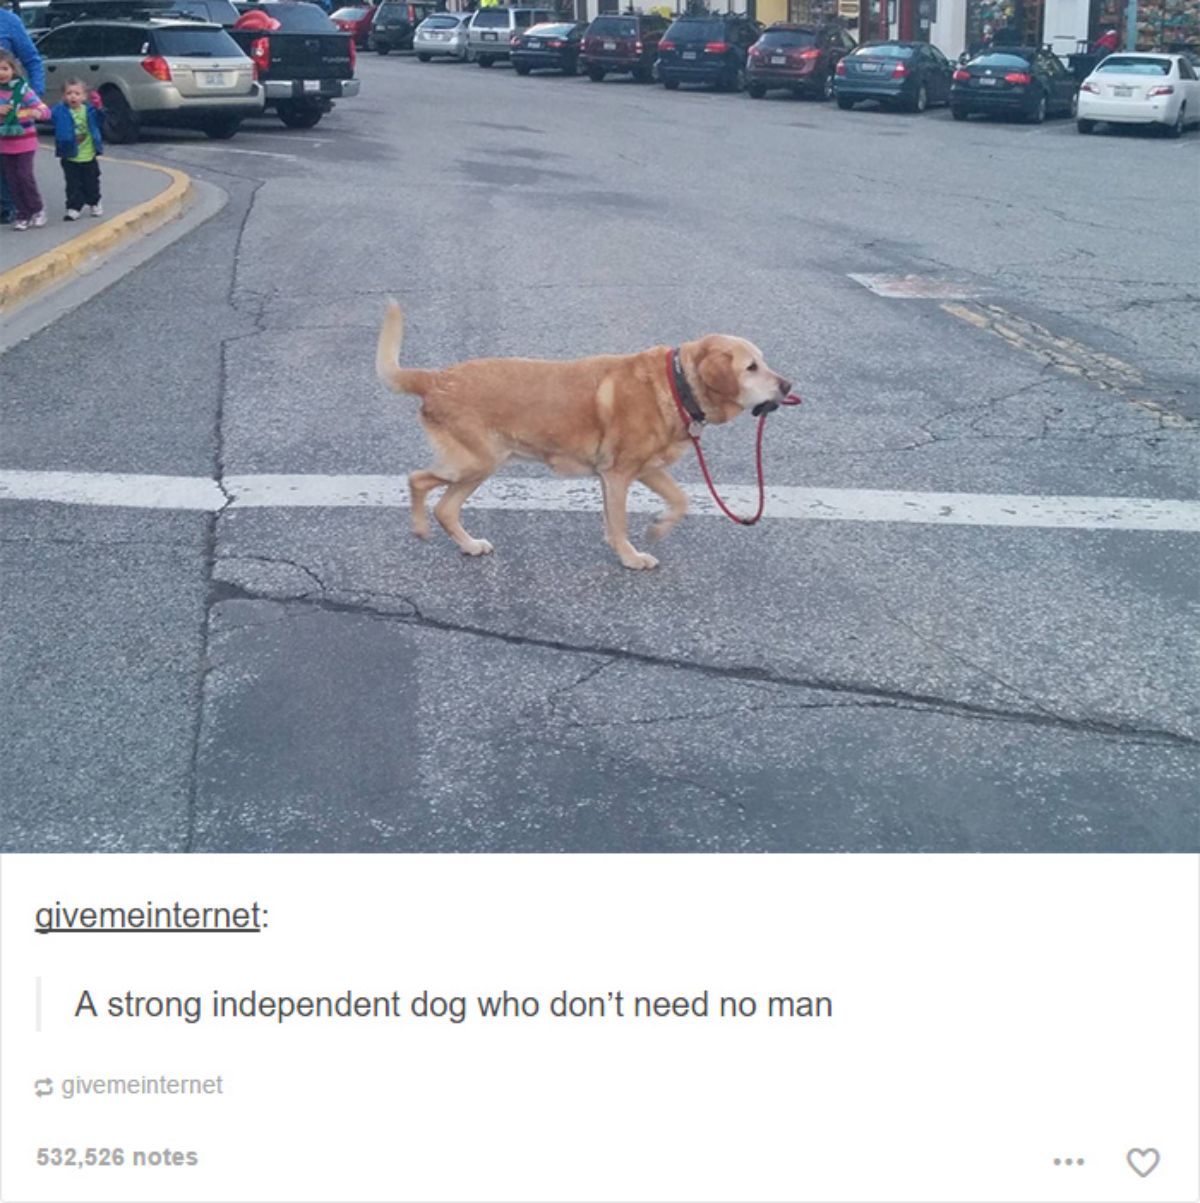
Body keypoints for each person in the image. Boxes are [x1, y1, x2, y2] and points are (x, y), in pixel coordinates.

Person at [0, 4, 44, 223]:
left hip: (9, 106)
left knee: (9, 162)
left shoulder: (9, 21)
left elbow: (32, 60)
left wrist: (33, 96)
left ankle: (10, 207)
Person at [51, 77, 104, 221]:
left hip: (89, 154)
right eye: (69, 93)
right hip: (69, 155)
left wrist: (99, 107)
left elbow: (101, 120)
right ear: (63, 96)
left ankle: (94, 201)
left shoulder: (89, 111)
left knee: (91, 182)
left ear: (84, 96)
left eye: (77, 93)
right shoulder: (59, 111)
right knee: (72, 184)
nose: (73, 96)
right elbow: (48, 116)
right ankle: (74, 207)